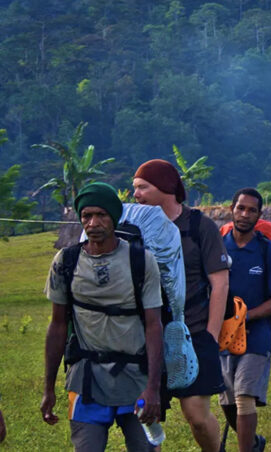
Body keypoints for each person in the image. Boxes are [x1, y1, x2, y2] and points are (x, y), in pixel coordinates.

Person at [41, 183, 163, 452]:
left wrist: (154, 388)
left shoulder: (141, 261)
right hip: (86, 379)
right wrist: (48, 388)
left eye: (101, 215)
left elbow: (154, 325)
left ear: (114, 217)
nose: (93, 223)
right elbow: (58, 326)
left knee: (145, 448)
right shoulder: (66, 261)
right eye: (86, 216)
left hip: (136, 378)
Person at [132, 159, 228, 452]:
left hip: (194, 331)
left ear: (165, 187)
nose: (135, 194)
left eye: (142, 187)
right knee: (147, 416)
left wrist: (211, 336)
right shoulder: (133, 228)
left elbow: (220, 283)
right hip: (147, 336)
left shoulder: (200, 226)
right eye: (134, 188)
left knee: (197, 416)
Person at [221, 188, 271, 452]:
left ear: (260, 215)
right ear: (231, 209)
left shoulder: (267, 250)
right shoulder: (217, 246)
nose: (245, 214)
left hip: (256, 336)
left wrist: (246, 317)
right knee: (226, 402)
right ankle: (254, 441)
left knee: (243, 397)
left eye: (251, 210)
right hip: (222, 336)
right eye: (240, 208)